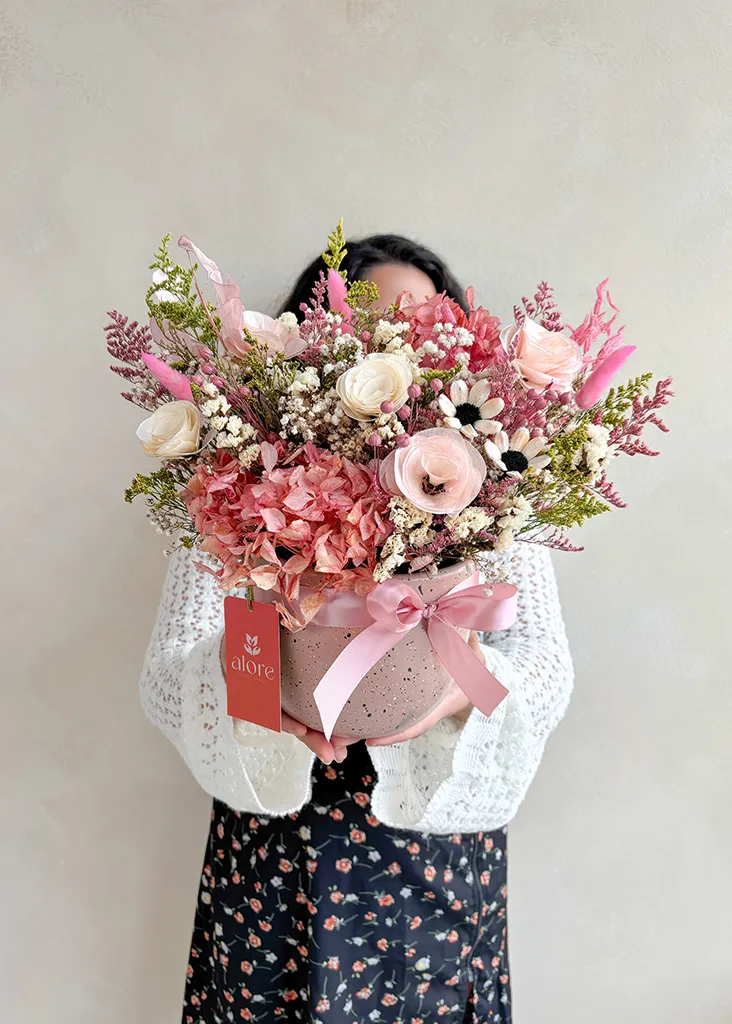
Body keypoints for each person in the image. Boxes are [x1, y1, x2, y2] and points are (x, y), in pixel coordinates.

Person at [140, 233, 575, 1024]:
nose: (398, 348)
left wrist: (458, 698)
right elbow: (174, 666)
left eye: (420, 325)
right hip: (279, 846)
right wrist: (260, 700)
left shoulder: (503, 485)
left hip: (435, 841)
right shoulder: (241, 481)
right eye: (373, 324)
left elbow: (544, 660)